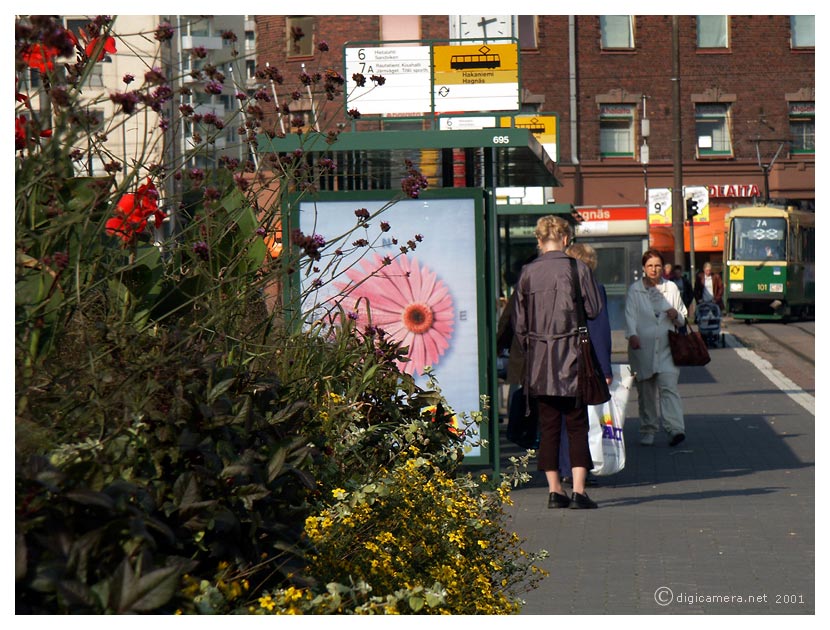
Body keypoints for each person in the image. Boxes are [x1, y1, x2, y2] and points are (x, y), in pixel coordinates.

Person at [513, 216, 603, 509]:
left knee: (548, 427)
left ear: (539, 241)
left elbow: (520, 325)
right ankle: (579, 491)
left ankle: (554, 491)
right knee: (577, 425)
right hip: (573, 358)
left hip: (540, 360)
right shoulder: (578, 269)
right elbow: (594, 308)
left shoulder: (527, 273)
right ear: (566, 239)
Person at [558, 242, 613, 486]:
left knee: (561, 419)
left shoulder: (558, 288)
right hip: (584, 361)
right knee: (580, 419)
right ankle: (580, 470)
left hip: (558, 360)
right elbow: (599, 330)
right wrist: (606, 368)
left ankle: (564, 467)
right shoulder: (595, 289)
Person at [625, 249, 688, 447]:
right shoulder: (635, 290)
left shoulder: (671, 288)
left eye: (657, 265)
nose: (654, 269)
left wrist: (675, 314)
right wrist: (632, 334)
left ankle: (675, 429)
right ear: (644, 268)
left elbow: (683, 317)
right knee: (646, 391)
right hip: (642, 348)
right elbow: (630, 316)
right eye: (650, 266)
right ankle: (648, 429)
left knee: (669, 387)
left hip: (667, 348)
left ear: (663, 267)